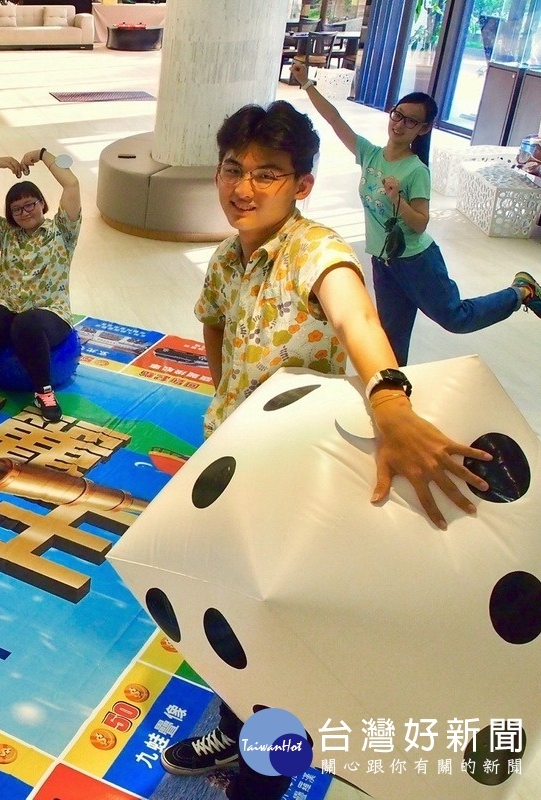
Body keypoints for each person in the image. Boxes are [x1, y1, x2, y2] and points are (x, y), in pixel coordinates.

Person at [158, 100, 494, 799]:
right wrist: (225, 404)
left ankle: (261, 775)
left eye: (267, 175)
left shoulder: (318, 250)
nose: (243, 188)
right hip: (233, 462)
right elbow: (215, 325)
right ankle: (232, 721)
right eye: (233, 170)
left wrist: (391, 399)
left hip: (298, 478)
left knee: (282, 641)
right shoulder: (227, 257)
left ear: (302, 185)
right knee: (230, 616)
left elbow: (356, 315)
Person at [291, 60, 540, 366]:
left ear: (423, 129)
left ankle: (521, 291)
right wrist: (306, 84)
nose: (399, 124)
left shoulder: (415, 170)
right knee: (391, 339)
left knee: (456, 318)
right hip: (384, 262)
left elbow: (420, 224)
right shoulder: (369, 154)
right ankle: (393, 396)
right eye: (397, 115)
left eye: (410, 121)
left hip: (417, 261)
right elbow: (334, 119)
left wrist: (398, 201)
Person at [0, 149, 80, 423]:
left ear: (43, 204)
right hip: (8, 306)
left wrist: (44, 155)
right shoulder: (6, 233)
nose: (24, 212)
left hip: (49, 312)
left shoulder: (62, 231)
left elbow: (71, 184)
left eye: (30, 204)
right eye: (16, 209)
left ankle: (44, 391)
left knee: (27, 324)